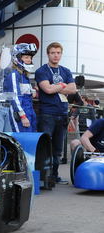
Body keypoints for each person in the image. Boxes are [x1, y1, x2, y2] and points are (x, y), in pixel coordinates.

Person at [35, 41, 77, 184]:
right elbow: (47, 89)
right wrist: (63, 85)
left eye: (58, 53)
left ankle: (54, 175)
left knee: (58, 149)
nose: (56, 55)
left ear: (61, 54)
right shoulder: (42, 71)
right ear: (48, 54)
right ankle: (43, 177)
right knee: (45, 146)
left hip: (62, 114)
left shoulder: (65, 71)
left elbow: (73, 89)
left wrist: (56, 87)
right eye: (53, 53)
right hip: (47, 113)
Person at [9, 43, 37, 132]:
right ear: (17, 58)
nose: (29, 60)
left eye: (30, 57)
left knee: (31, 137)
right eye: (26, 57)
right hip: (21, 112)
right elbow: (14, 97)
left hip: (29, 110)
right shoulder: (14, 74)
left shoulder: (24, 75)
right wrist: (22, 116)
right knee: (23, 139)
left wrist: (32, 91)